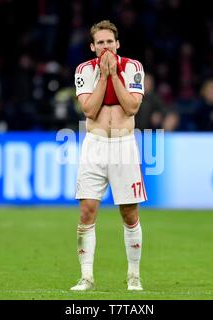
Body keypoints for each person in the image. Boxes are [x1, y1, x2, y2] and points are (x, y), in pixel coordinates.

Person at [71, 20, 146, 291]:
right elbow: (89, 111)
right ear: (93, 47)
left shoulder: (133, 67)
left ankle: (134, 275)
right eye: (100, 43)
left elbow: (132, 106)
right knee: (87, 209)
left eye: (109, 42)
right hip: (95, 145)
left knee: (128, 213)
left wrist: (114, 75)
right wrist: (103, 76)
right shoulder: (84, 71)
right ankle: (86, 277)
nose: (105, 47)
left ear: (118, 44)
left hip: (124, 145)